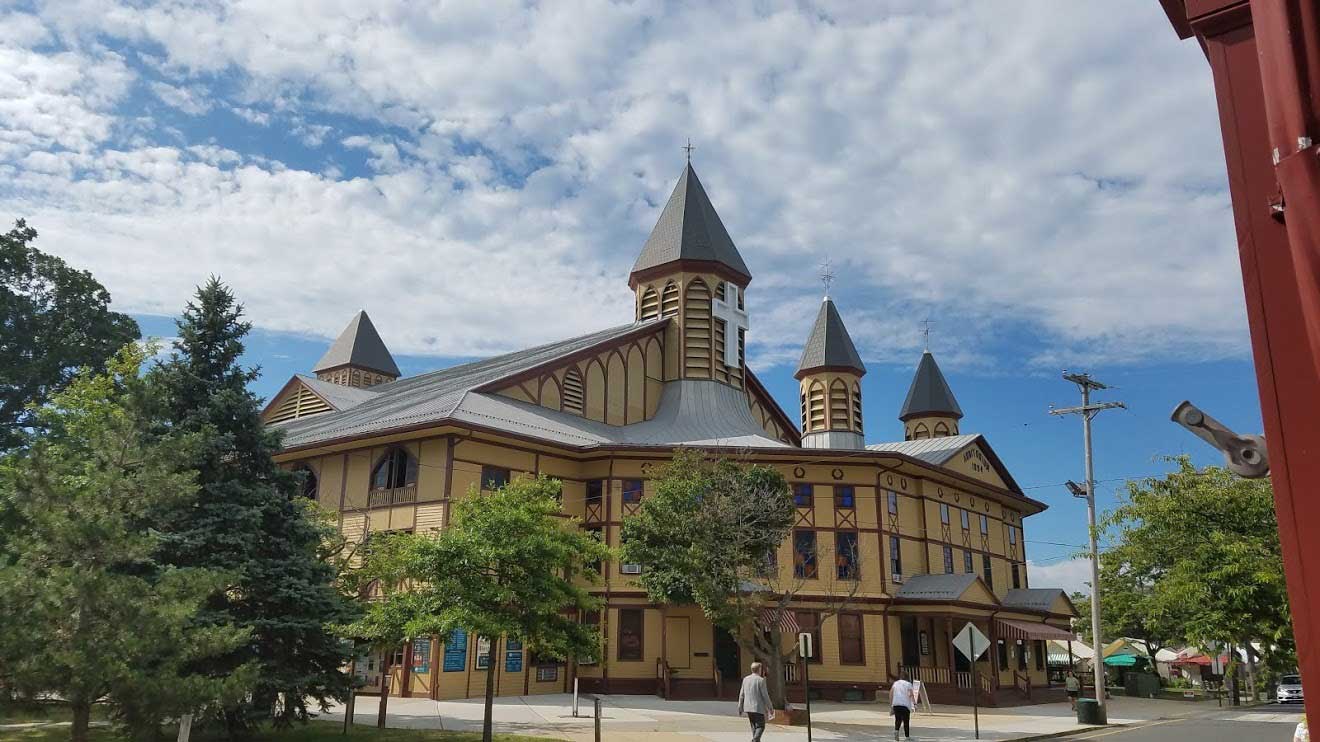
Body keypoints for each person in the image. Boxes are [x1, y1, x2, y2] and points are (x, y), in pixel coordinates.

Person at [737, 661, 775, 742]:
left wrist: (740, 707)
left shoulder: (745, 679)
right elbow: (765, 696)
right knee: (761, 726)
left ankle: (756, 740)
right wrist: (770, 708)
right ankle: (755, 740)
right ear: (759, 669)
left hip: (748, 707)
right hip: (758, 707)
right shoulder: (760, 680)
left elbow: (741, 694)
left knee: (754, 726)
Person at [890, 672, 916, 740]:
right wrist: (914, 704)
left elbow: (891, 693)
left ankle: (896, 731)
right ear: (907, 677)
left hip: (896, 704)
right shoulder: (908, 684)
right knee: (906, 720)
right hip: (905, 704)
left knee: (898, 719)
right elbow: (911, 694)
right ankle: (907, 737)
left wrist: (892, 705)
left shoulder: (895, 683)